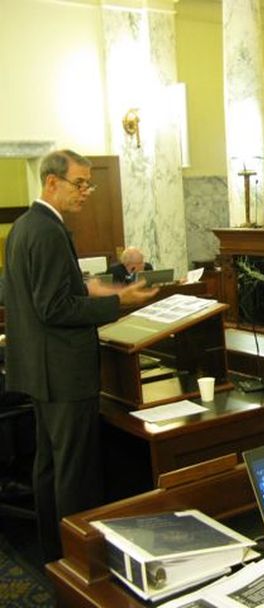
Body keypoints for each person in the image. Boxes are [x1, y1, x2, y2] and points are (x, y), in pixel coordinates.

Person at [3, 149, 157, 562]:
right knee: (75, 474)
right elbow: (54, 307)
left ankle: (55, 553)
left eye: (90, 183)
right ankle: (80, 564)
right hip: (64, 372)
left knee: (50, 467)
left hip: (40, 371)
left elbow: (55, 291)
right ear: (52, 182)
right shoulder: (49, 231)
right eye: (80, 183)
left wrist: (104, 290)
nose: (87, 191)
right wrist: (117, 304)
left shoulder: (25, 226)